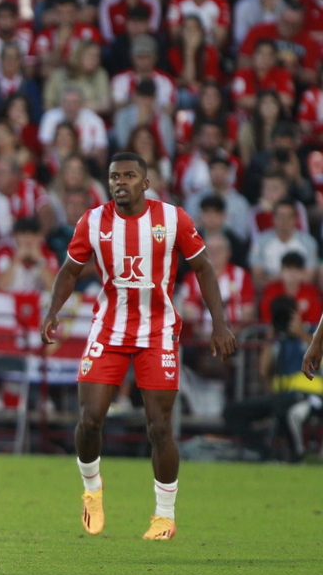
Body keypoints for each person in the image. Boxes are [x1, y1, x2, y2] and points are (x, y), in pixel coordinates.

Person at [41, 152, 237, 542]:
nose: (121, 182)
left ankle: (164, 516)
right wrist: (53, 311)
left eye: (130, 176)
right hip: (109, 328)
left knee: (160, 427)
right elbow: (69, 271)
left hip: (158, 331)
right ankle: (92, 490)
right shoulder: (93, 221)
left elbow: (203, 268)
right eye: (115, 176)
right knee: (90, 419)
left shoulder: (173, 219)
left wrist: (220, 322)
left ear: (145, 183)